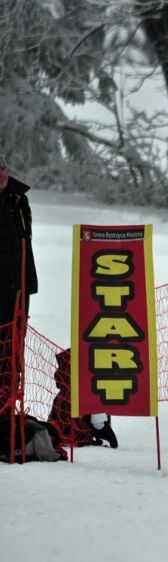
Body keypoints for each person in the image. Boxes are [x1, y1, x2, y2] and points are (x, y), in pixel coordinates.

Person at [0, 155, 38, 413]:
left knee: (12, 349)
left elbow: (27, 243)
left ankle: (7, 405)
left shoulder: (18, 200)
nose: (1, 174)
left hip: (16, 287)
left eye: (2, 168)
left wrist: (27, 284)